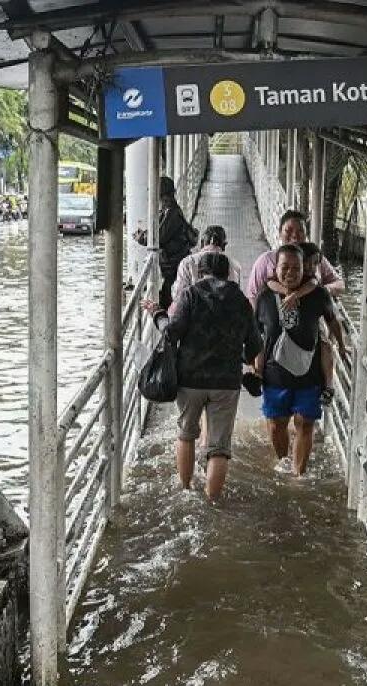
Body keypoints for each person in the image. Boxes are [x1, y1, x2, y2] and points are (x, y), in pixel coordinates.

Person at [143, 252, 262, 498]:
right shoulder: (240, 300)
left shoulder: (191, 294)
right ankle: (212, 499)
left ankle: (186, 490)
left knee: (186, 434)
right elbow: (254, 346)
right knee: (219, 447)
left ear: (199, 272)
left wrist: (158, 314)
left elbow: (171, 333)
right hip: (226, 383)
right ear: (228, 274)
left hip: (190, 379)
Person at [254, 244, 338, 476]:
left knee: (305, 422)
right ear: (275, 268)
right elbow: (256, 334)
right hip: (275, 375)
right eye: (285, 267)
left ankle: (297, 475)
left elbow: (332, 320)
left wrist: (340, 345)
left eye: (296, 268)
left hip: (309, 375)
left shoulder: (318, 294)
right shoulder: (265, 296)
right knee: (276, 424)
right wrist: (255, 368)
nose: (290, 272)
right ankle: (283, 462)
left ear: (304, 269)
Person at [262, 242, 347, 405]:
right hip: (278, 372)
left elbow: (314, 285)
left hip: (306, 355)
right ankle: (259, 373)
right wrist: (287, 292)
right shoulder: (272, 287)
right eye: (309, 263)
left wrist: (294, 295)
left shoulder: (314, 286)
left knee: (325, 345)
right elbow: (270, 282)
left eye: (316, 264)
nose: (312, 268)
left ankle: (329, 385)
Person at [245, 209, 345, 306]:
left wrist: (320, 291)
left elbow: (340, 284)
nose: (295, 235)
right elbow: (252, 295)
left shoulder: (315, 259)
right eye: (288, 230)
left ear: (306, 234)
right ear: (280, 233)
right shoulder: (265, 261)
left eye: (300, 231)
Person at [134, 176, 197, 309]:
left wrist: (142, 238)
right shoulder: (169, 211)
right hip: (172, 263)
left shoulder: (172, 213)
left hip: (174, 264)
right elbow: (158, 230)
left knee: (169, 299)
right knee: (168, 297)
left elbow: (159, 237)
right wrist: (144, 234)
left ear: (161, 194)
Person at [167, 225, 242, 315]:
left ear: (202, 243)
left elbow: (178, 296)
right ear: (224, 245)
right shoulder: (235, 265)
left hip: (193, 317)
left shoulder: (187, 262)